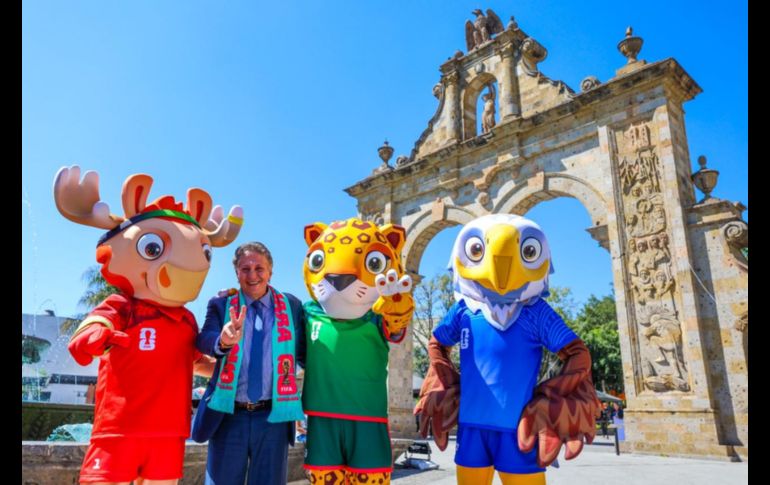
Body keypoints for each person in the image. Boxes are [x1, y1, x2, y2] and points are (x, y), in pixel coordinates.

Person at [192, 242, 306, 485]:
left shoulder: (292, 306)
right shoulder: (221, 304)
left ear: (270, 271)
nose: (253, 275)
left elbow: (306, 353)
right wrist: (223, 340)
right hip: (228, 415)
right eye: (245, 269)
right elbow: (204, 338)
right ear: (236, 273)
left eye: (259, 268)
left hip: (273, 418)